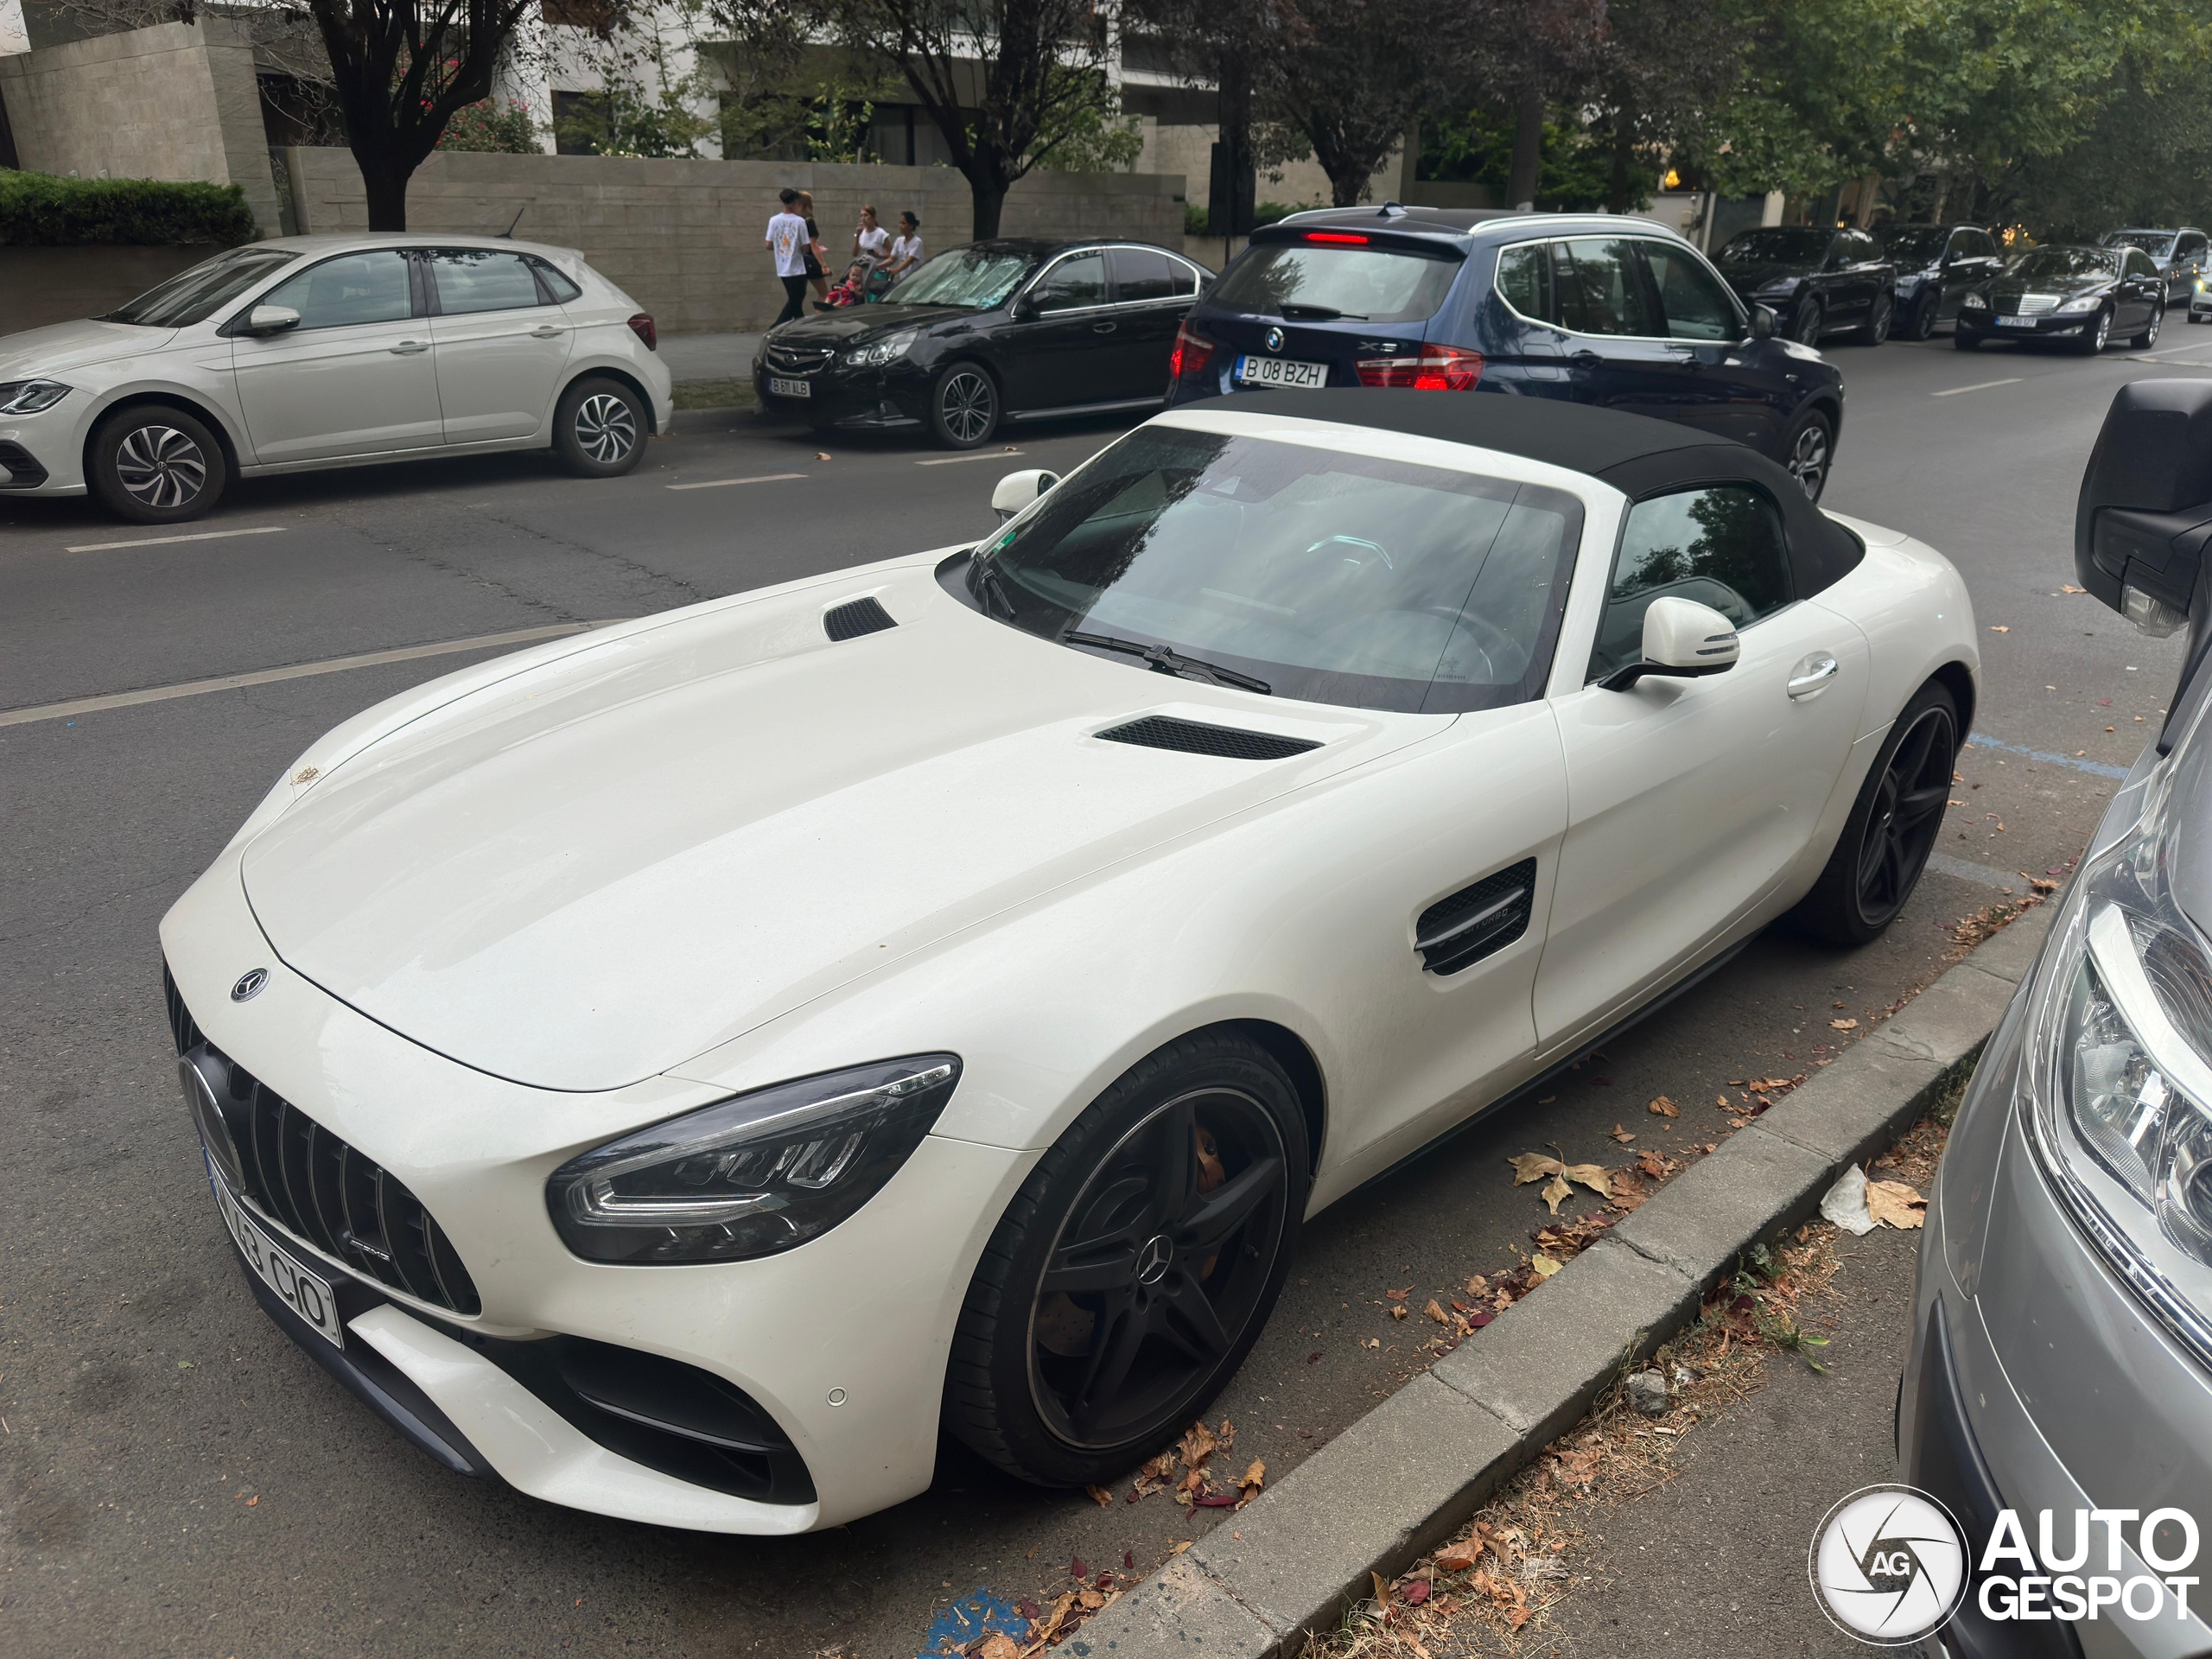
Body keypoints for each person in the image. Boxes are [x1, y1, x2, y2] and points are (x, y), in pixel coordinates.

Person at [766, 188, 809, 326]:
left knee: (795, 300)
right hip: (797, 266)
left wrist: (781, 248)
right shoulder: (800, 221)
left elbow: (768, 245)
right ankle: (775, 327)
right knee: (797, 299)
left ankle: (800, 327)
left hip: (782, 266)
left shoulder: (774, 220)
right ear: (795, 201)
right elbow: (806, 247)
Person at [794, 190, 830, 308]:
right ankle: (820, 316)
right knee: (825, 294)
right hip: (810, 260)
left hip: (796, 261)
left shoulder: (795, 222)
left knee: (798, 295)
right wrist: (823, 265)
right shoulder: (808, 222)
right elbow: (813, 246)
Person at [883, 211, 924, 283]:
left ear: (911, 226)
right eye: (900, 223)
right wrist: (877, 266)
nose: (901, 226)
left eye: (904, 223)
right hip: (903, 280)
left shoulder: (917, 242)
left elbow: (908, 261)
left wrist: (895, 270)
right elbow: (892, 259)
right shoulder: (899, 241)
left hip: (915, 281)